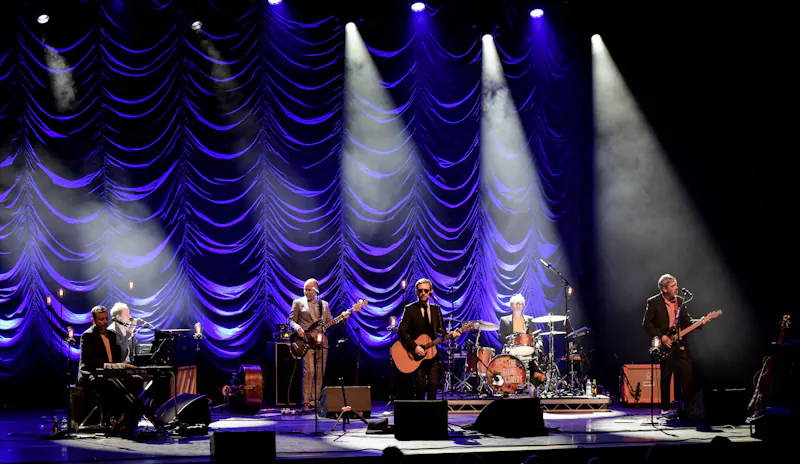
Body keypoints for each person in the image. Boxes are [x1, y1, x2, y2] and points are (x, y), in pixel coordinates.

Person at [642, 274, 707, 418]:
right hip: (666, 345)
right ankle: (665, 409)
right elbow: (647, 324)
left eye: (676, 285)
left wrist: (700, 322)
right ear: (664, 289)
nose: (676, 288)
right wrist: (662, 337)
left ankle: (688, 408)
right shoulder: (654, 302)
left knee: (687, 376)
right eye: (673, 286)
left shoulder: (680, 301)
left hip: (681, 345)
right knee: (666, 377)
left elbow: (687, 321)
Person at [76, 305, 142, 432]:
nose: (105, 322)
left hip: (110, 373)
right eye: (101, 319)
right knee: (111, 384)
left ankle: (129, 420)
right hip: (91, 374)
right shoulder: (87, 335)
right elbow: (90, 360)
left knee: (137, 380)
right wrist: (112, 365)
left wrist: (123, 361)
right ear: (94, 321)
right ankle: (111, 419)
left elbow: (117, 357)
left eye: (106, 318)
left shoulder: (111, 335)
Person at [289, 278, 349, 412]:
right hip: (306, 343)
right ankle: (306, 402)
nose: (306, 292)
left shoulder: (324, 305)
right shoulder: (298, 302)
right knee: (309, 371)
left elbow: (331, 322)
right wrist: (298, 328)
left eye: (309, 290)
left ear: (316, 290)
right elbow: (291, 321)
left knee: (320, 373)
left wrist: (342, 318)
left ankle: (315, 402)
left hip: (322, 343)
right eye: (305, 289)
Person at [397, 278, 461, 400]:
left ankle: (432, 409)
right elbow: (401, 331)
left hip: (432, 353)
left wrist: (452, 335)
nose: (423, 293)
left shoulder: (436, 309)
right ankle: (420, 409)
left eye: (426, 291)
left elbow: (442, 331)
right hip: (416, 355)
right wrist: (415, 346)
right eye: (420, 290)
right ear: (416, 292)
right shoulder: (410, 309)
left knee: (434, 384)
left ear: (431, 292)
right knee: (420, 387)